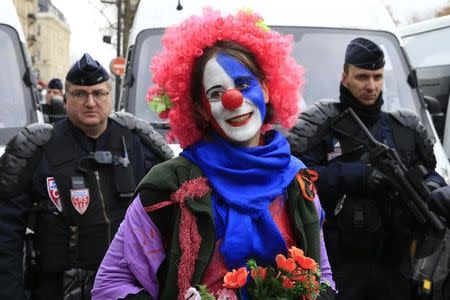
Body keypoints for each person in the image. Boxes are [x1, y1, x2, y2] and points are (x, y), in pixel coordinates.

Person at [92, 8, 336, 300]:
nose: (234, 100)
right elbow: (110, 284)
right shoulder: (169, 185)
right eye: (216, 93)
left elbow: (324, 277)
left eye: (244, 84)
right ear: (199, 109)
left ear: (267, 90)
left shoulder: (296, 180)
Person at [0, 53, 173, 300]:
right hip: (58, 289)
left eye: (98, 93)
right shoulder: (38, 149)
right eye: (80, 94)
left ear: (109, 96)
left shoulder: (137, 143)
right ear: (66, 98)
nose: (90, 102)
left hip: (127, 286)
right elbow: (7, 233)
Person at [287, 37, 448, 299]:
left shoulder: (403, 128)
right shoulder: (321, 126)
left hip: (396, 265)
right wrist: (357, 176)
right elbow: (294, 179)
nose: (371, 86)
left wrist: (432, 186)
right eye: (362, 77)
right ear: (345, 77)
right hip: (340, 265)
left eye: (377, 77)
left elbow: (428, 172)